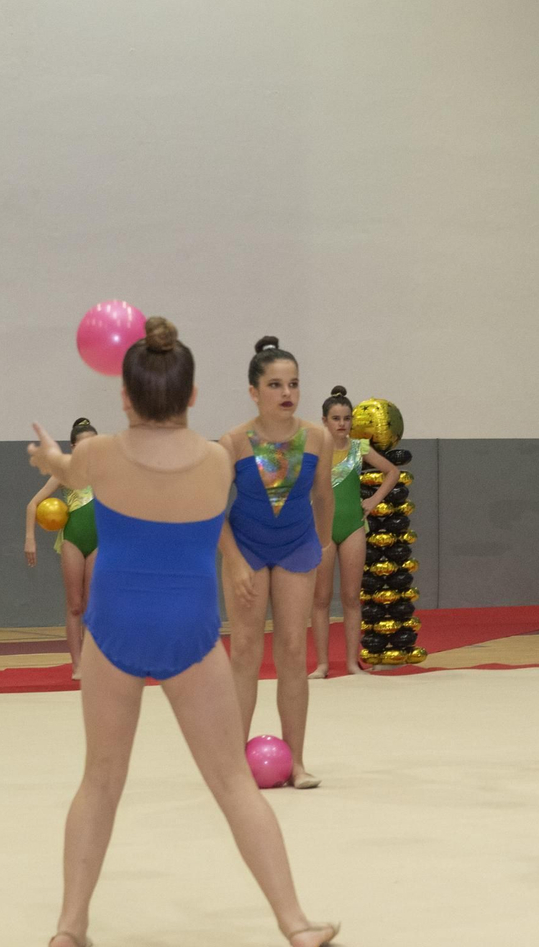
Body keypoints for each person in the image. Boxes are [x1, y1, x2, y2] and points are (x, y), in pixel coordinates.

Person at [27, 316, 337, 947]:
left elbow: (71, 471)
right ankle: (295, 922)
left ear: (124, 397)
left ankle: (70, 927)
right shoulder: (217, 462)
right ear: (192, 394)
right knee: (233, 784)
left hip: (113, 630)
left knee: (100, 781)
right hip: (190, 635)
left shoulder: (99, 454)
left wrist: (49, 458)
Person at [220, 337, 334, 789]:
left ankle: (297, 761)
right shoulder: (233, 442)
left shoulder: (318, 437)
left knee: (292, 650)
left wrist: (320, 546)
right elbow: (211, 511)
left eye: (294, 384)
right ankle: (232, 765)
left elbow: (323, 496)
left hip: (296, 547)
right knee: (245, 651)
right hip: (246, 549)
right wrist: (233, 561)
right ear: (254, 392)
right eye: (275, 385)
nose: (287, 393)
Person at [309, 385, 400, 678]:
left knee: (350, 598)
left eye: (346, 418)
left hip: (353, 528)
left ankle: (351, 663)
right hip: (321, 530)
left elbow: (392, 472)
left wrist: (374, 500)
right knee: (321, 599)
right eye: (335, 418)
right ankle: (322, 664)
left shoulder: (360, 448)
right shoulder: (314, 450)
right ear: (324, 421)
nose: (342, 424)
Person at [25, 417, 101, 679]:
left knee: (92, 606)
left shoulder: (105, 473)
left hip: (99, 542)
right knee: (75, 606)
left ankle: (90, 663)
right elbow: (32, 505)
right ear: (73, 447)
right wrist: (30, 539)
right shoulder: (64, 473)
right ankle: (77, 665)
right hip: (73, 541)